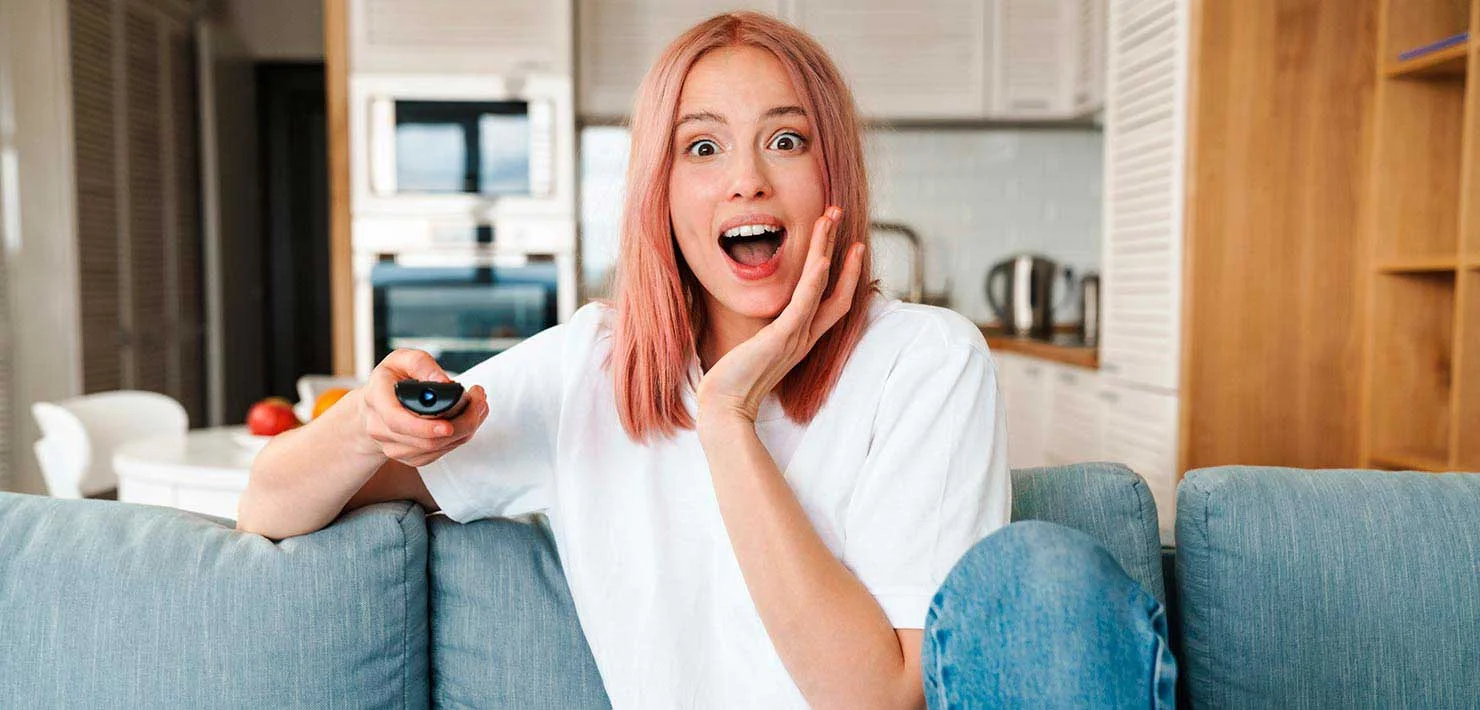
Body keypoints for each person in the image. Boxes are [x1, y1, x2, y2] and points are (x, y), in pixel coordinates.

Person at [236, 11, 1176, 709]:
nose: (746, 178)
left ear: (832, 177)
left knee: (1049, 574)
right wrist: (368, 422)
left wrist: (727, 419)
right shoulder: (591, 369)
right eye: (701, 147)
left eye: (786, 139)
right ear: (661, 193)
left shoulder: (926, 361)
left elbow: (874, 698)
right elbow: (269, 503)